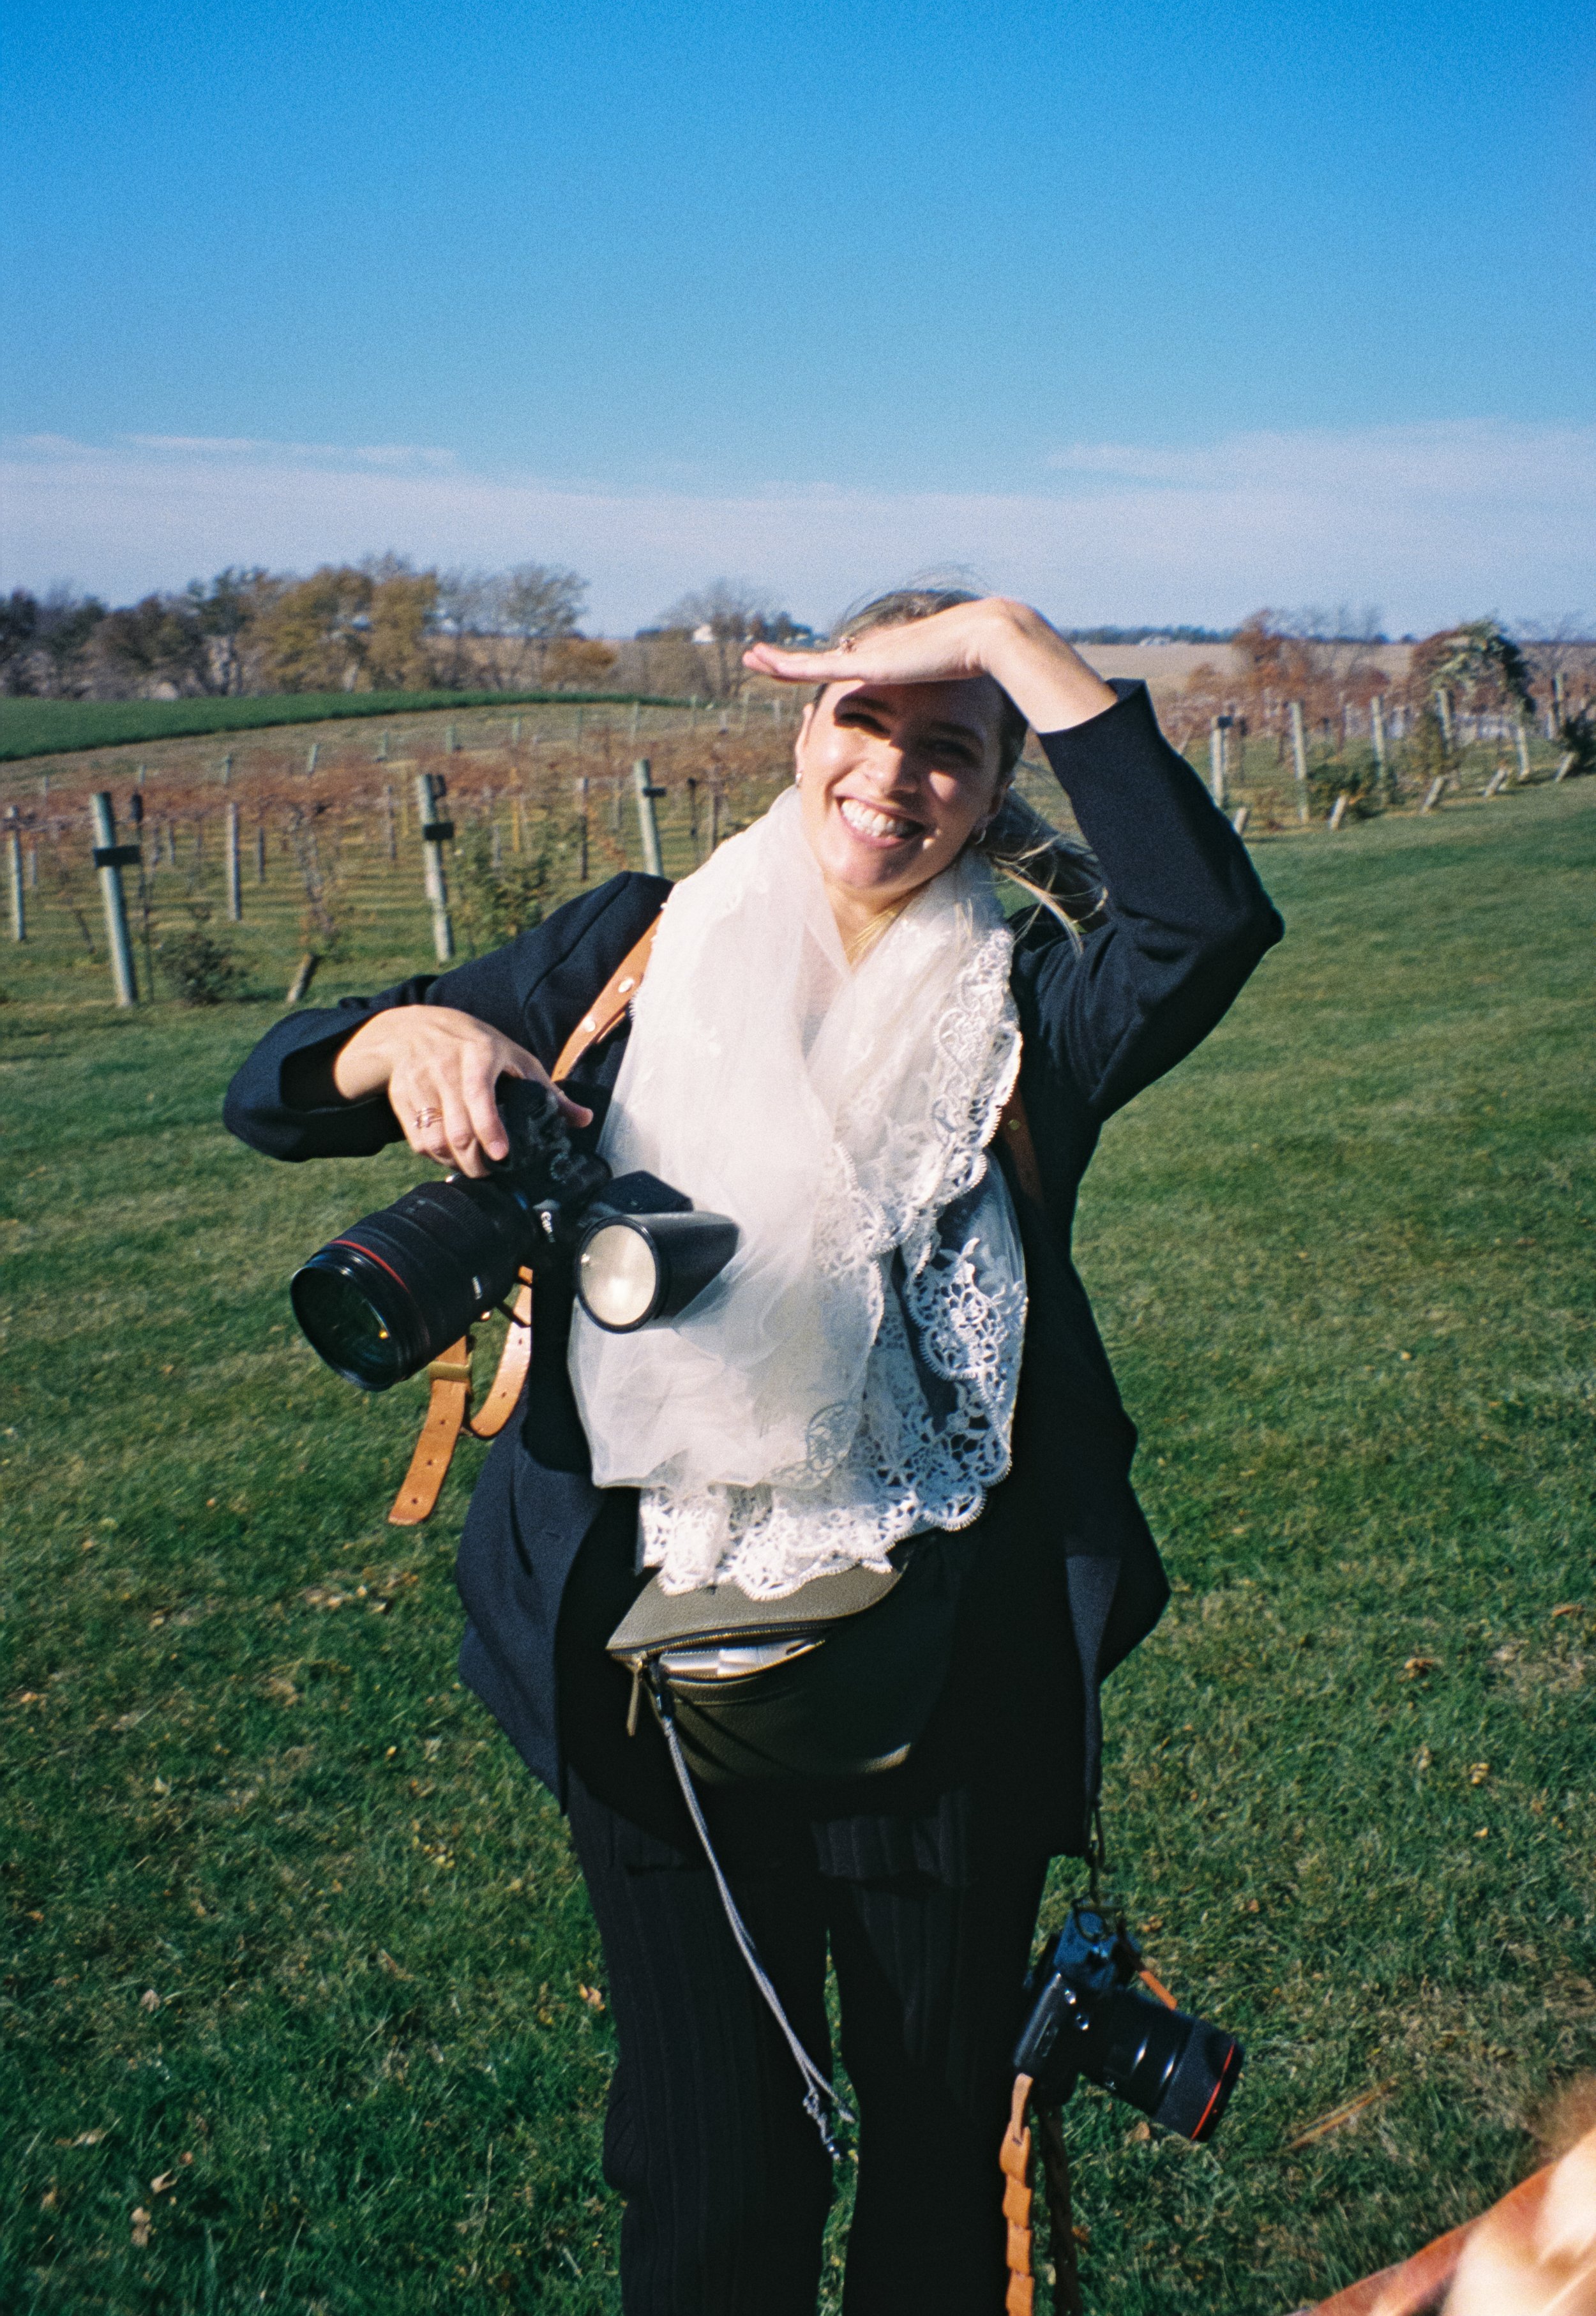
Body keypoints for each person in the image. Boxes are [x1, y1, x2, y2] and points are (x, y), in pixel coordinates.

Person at [224, 591, 1283, 2315]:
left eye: (952, 745)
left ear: (998, 782)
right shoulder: (632, 950)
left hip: (945, 1675)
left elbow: (1205, 920)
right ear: (802, 729)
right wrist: (396, 1036)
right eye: (861, 719)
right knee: (711, 2169)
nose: (894, 775)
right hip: (647, 1676)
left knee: (939, 2166)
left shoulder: (1031, 1005)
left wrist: (1018, 642)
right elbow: (273, 1090)